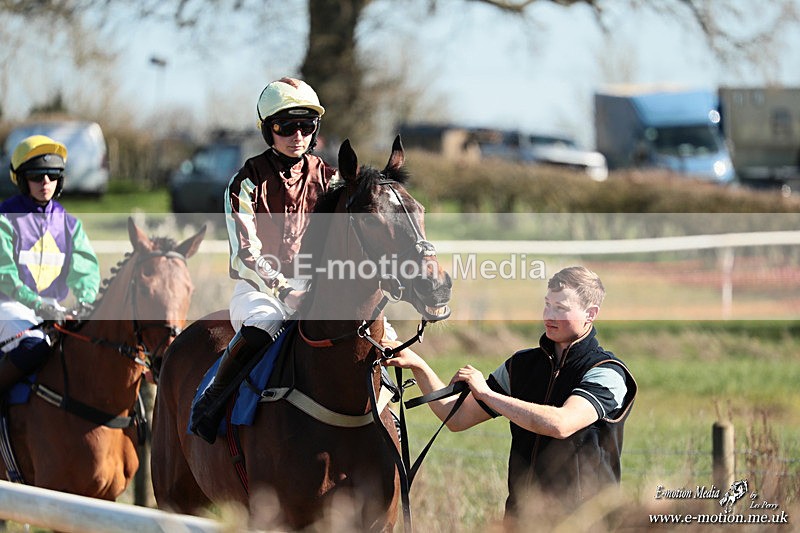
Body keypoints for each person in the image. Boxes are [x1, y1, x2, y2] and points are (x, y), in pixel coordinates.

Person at [383, 266, 637, 519]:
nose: (549, 315)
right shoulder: (520, 366)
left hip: (585, 522)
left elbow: (561, 424)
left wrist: (487, 393)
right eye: (547, 305)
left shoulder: (607, 372)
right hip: (521, 519)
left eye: (560, 308)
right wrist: (418, 364)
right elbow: (456, 417)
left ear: (590, 314)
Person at [188, 77, 339, 443]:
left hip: (315, 286)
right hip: (261, 291)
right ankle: (211, 403)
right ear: (267, 130)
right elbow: (244, 256)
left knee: (376, 334)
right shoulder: (246, 182)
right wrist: (286, 290)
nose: (297, 135)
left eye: (305, 126)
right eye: (285, 126)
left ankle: (386, 416)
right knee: (261, 328)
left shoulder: (331, 180)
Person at [0, 134, 100, 396]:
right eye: (36, 175)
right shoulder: (5, 219)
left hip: (50, 308)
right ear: (22, 179)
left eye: (52, 175)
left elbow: (85, 271)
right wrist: (39, 306)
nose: (45, 182)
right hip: (8, 308)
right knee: (34, 345)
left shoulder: (69, 224)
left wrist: (86, 303)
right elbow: (6, 277)